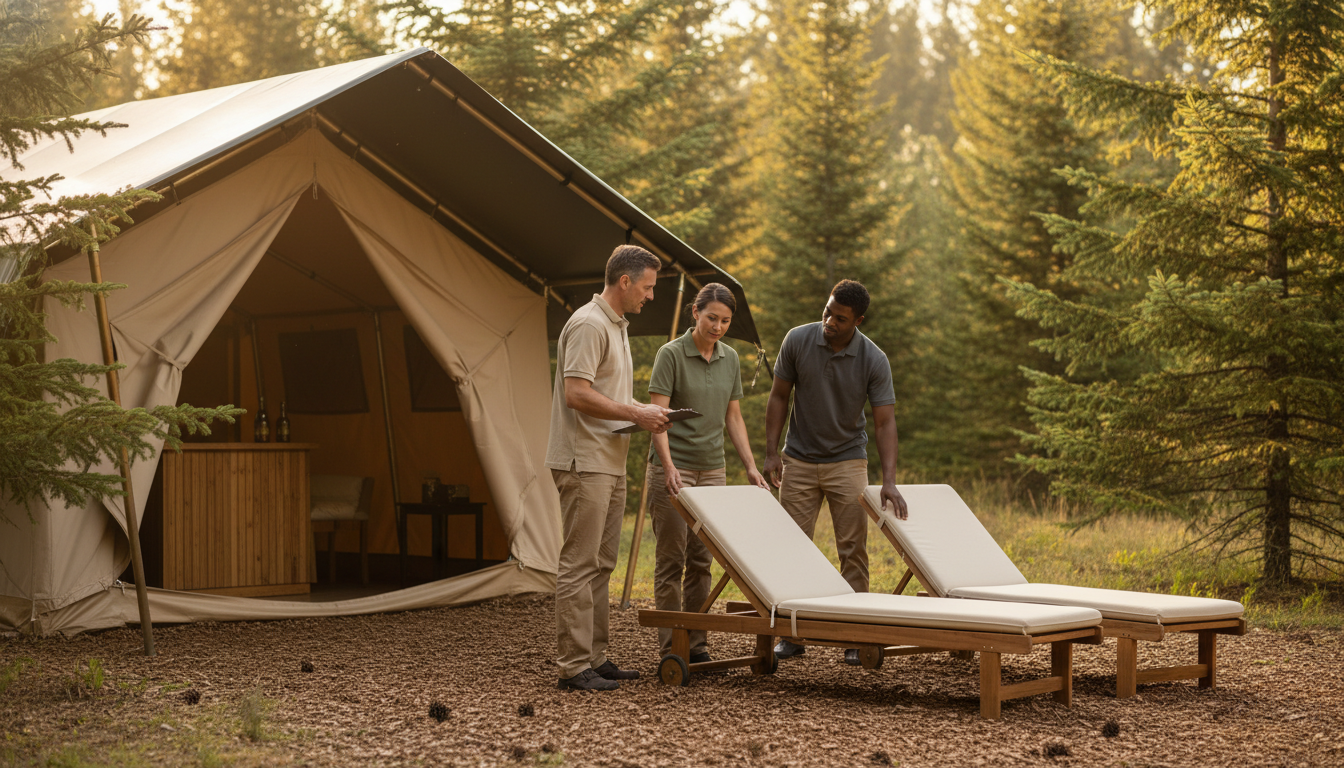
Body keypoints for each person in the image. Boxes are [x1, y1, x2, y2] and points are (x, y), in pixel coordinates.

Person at [763, 279, 908, 666]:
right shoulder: (797, 340)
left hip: (847, 461)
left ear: (857, 320)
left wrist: (888, 480)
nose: (829, 321)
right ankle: (791, 633)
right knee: (793, 548)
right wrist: (771, 454)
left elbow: (884, 423)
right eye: (827, 311)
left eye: (840, 318)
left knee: (852, 550)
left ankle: (853, 633)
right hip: (798, 460)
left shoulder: (873, 359)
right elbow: (779, 396)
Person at [546, 244, 671, 692]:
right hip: (584, 461)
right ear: (624, 282)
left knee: (601, 563)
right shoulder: (587, 324)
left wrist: (643, 411)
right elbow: (575, 394)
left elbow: (607, 395)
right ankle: (572, 665)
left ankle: (595, 657)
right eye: (648, 287)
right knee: (579, 563)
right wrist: (636, 414)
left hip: (609, 461)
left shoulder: (616, 326)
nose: (650, 296)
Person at [647, 283, 769, 664]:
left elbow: (733, 416)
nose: (718, 326)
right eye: (712, 318)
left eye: (726, 321)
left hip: (713, 471)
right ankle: (672, 646)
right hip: (674, 469)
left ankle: (696, 645)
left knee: (702, 561)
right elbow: (657, 419)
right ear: (695, 312)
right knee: (672, 559)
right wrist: (668, 468)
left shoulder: (730, 358)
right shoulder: (670, 355)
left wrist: (750, 466)